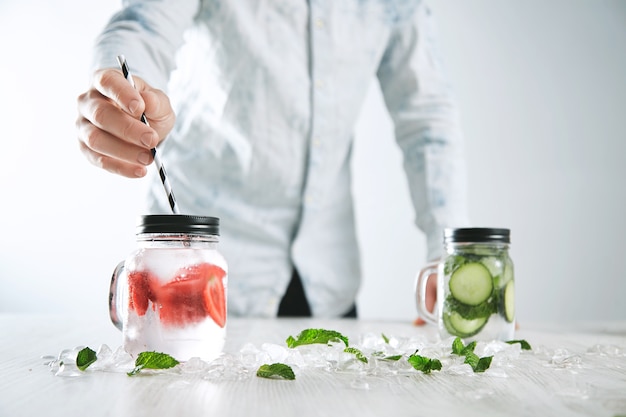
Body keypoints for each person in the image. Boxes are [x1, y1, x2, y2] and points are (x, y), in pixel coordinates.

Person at [76, 0, 469, 319]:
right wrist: (120, 89)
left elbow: (426, 114)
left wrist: (449, 249)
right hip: (196, 275)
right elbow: (142, 25)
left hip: (327, 284)